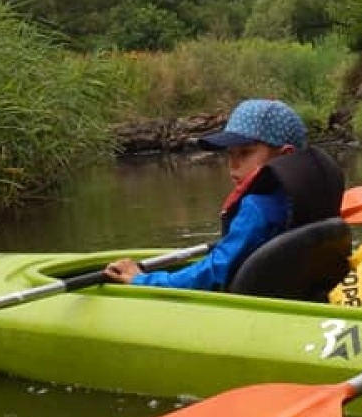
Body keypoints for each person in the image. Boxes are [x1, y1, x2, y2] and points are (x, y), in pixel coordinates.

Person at [104, 98, 344, 291]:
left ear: (284, 155)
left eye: (245, 153)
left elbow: (215, 273)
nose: (233, 166)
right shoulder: (306, 198)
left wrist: (142, 281)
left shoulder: (257, 208)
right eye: (230, 154)